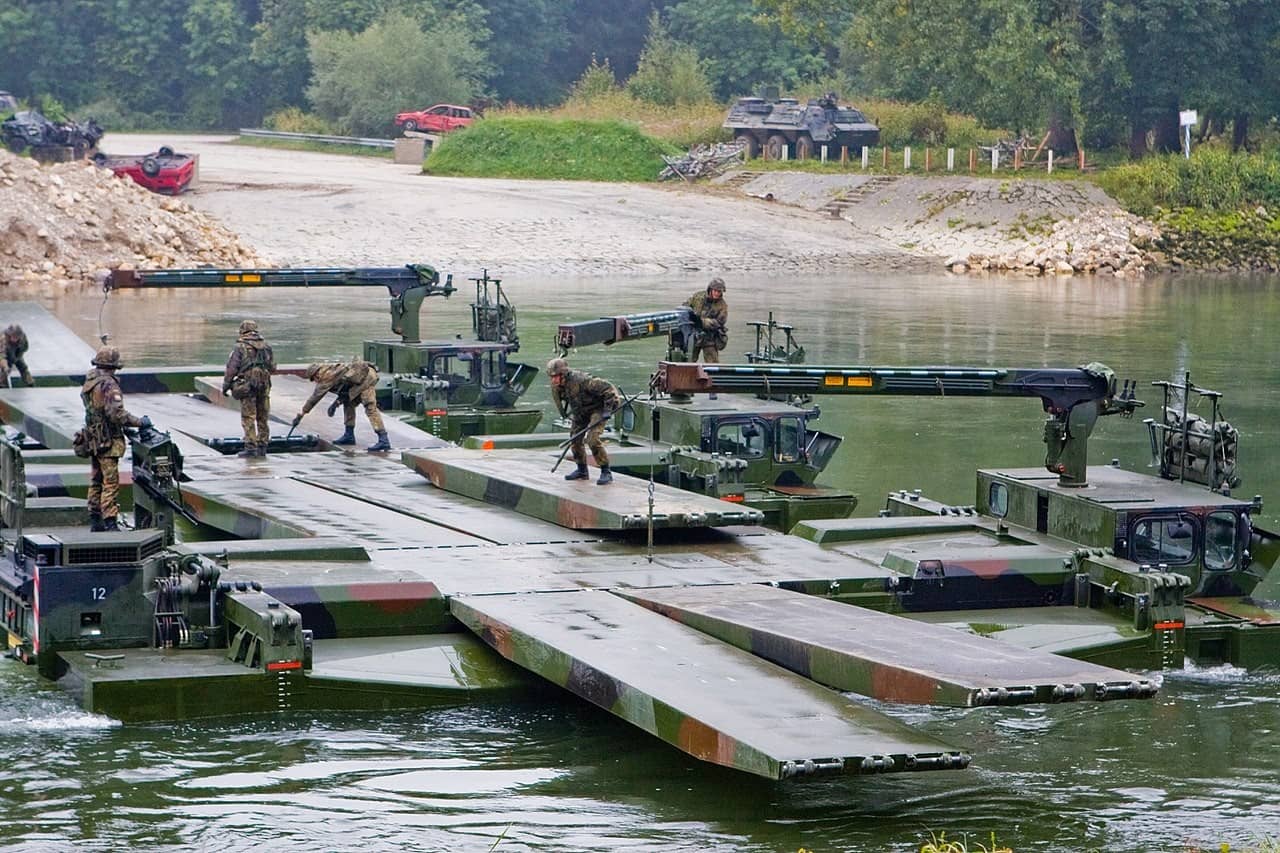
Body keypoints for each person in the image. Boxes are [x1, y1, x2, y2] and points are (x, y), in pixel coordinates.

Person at [80, 346, 149, 531]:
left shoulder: (90, 381)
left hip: (93, 438)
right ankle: (110, 521)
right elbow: (116, 413)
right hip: (108, 439)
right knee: (110, 481)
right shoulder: (108, 384)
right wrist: (139, 422)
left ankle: (95, 519)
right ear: (113, 366)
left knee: (96, 479)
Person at [547, 357, 622, 485]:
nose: (553, 380)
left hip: (597, 409)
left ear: (563, 374)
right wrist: (566, 415)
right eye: (551, 377)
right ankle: (582, 470)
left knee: (592, 439)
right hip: (580, 411)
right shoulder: (557, 386)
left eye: (555, 376)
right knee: (575, 439)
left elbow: (609, 389)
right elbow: (562, 402)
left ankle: (606, 471)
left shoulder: (583, 380)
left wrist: (607, 410)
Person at [291, 360, 389, 452]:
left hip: (367, 378)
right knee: (348, 404)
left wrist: (301, 415)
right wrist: (336, 403)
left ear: (316, 374)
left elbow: (314, 398)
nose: (315, 381)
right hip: (357, 382)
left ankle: (384, 440)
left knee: (370, 408)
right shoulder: (331, 370)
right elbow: (345, 389)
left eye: (313, 379)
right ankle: (349, 435)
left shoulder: (326, 376)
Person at [222, 319, 275, 457]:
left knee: (248, 416)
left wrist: (226, 386)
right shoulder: (266, 346)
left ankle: (251, 448)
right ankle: (263, 446)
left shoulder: (240, 347)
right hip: (264, 384)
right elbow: (272, 367)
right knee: (263, 416)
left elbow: (231, 369)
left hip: (247, 385)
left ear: (242, 330)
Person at [684, 277, 728, 363]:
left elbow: (719, 323)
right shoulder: (698, 297)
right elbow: (685, 307)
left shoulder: (722, 306)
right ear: (710, 289)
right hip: (694, 335)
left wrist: (701, 322)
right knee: (688, 361)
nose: (717, 293)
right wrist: (690, 316)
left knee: (713, 365)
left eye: (719, 292)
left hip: (710, 337)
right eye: (715, 291)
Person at [1, 323, 34, 388]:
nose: (15, 339)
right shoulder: (3, 338)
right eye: (13, 337)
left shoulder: (23, 337)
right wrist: (5, 366)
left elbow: (25, 348)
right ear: (9, 335)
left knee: (23, 367)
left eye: (17, 337)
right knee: (5, 370)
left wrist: (17, 357)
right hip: (5, 354)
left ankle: (30, 383)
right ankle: (2, 385)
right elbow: (1, 355)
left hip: (17, 353)